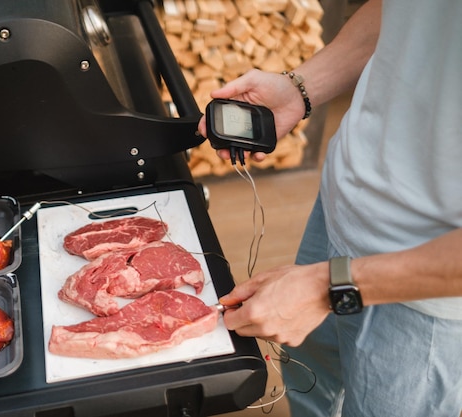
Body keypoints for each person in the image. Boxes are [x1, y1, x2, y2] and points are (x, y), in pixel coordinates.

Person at [197, 0, 462, 416]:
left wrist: (326, 286)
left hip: (426, 295)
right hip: (343, 202)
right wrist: (300, 89)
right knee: (310, 388)